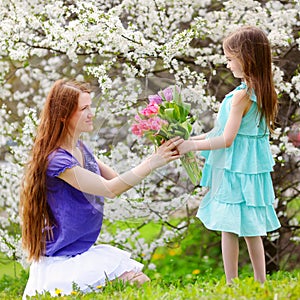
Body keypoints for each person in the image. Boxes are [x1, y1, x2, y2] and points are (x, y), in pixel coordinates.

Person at [19, 79, 183, 298]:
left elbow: (116, 178)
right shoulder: (56, 160)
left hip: (81, 251)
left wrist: (156, 148)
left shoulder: (80, 147)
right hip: (62, 261)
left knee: (139, 281)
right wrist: (152, 162)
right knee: (138, 283)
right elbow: (109, 189)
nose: (91, 113)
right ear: (63, 115)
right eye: (84, 108)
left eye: (90, 106)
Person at [177, 26, 281, 284]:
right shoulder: (263, 92)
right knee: (251, 228)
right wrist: (190, 140)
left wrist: (193, 147)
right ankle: (260, 281)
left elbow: (226, 139)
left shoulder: (241, 97)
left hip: (235, 168)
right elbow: (218, 131)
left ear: (246, 58)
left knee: (229, 227)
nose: (227, 64)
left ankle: (231, 282)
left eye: (230, 58)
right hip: (251, 168)